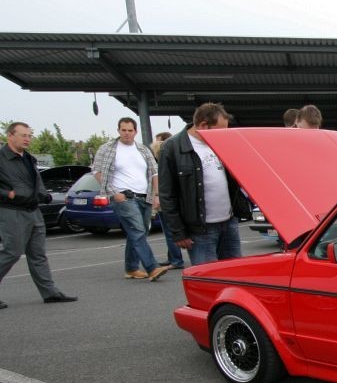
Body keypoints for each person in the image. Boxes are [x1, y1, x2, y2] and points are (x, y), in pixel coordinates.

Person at [158, 103, 251, 265]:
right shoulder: (172, 148)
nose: (224, 134)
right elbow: (167, 194)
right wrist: (179, 232)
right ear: (203, 125)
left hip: (229, 223)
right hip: (200, 230)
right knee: (208, 277)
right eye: (219, 130)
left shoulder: (221, 143)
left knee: (234, 274)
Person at [0, 122, 77, 308]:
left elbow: (36, 182)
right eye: (23, 135)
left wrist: (45, 196)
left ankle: (50, 293)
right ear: (10, 136)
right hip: (12, 211)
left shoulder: (29, 158)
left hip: (34, 211)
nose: (27, 139)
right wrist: (8, 194)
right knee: (12, 252)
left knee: (38, 255)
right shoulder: (1, 158)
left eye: (29, 135)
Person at [92, 119, 171, 282]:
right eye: (123, 130)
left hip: (144, 196)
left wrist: (156, 195)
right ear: (118, 131)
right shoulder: (107, 149)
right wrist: (114, 194)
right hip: (124, 197)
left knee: (138, 232)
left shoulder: (143, 149)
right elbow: (97, 172)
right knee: (138, 231)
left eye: (130, 130)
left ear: (135, 132)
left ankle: (131, 268)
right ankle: (152, 268)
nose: (127, 133)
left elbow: (154, 172)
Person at [151, 133, 185, 269]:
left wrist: (157, 196)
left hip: (167, 201)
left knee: (170, 232)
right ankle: (172, 257)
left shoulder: (163, 160)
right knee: (169, 231)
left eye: (157, 142)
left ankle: (176, 260)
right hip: (172, 199)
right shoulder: (176, 157)